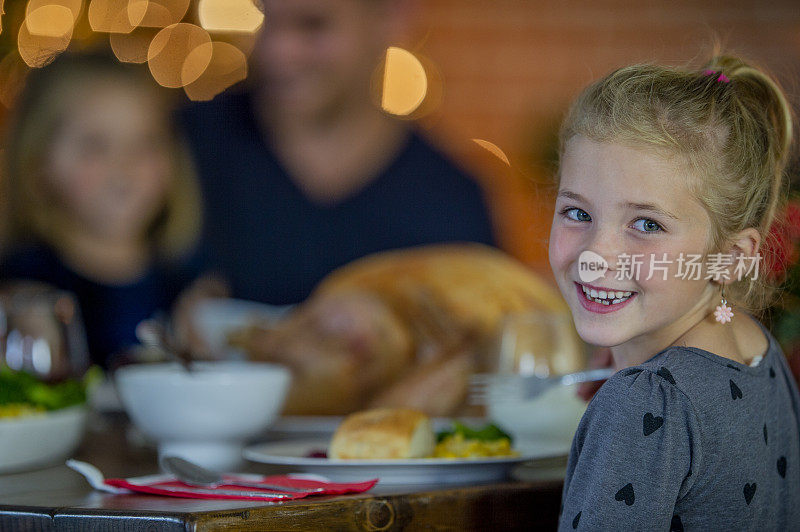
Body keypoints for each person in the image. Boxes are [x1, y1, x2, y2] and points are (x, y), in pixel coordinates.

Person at [548, 55, 800, 529]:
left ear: (730, 256)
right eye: (577, 213)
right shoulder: (757, 347)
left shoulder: (643, 402)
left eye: (647, 224)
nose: (596, 255)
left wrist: (631, 400)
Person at [179, 0, 497, 305]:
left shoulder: (451, 204)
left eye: (313, 25)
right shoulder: (182, 147)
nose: (278, 51)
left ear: (391, 16)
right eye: (268, 19)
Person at [0, 52, 215, 369]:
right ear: (38, 162)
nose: (124, 168)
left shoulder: (188, 285)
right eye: (95, 145)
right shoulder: (21, 286)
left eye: (145, 143)